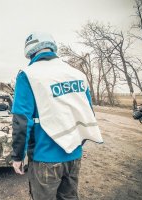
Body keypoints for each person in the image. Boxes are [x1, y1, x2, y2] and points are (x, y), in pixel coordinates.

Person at [11, 32, 103, 200]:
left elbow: (21, 121)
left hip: (44, 158)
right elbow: (88, 114)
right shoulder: (78, 74)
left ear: (30, 52)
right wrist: (76, 143)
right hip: (74, 156)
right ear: (52, 46)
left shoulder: (28, 75)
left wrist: (17, 157)